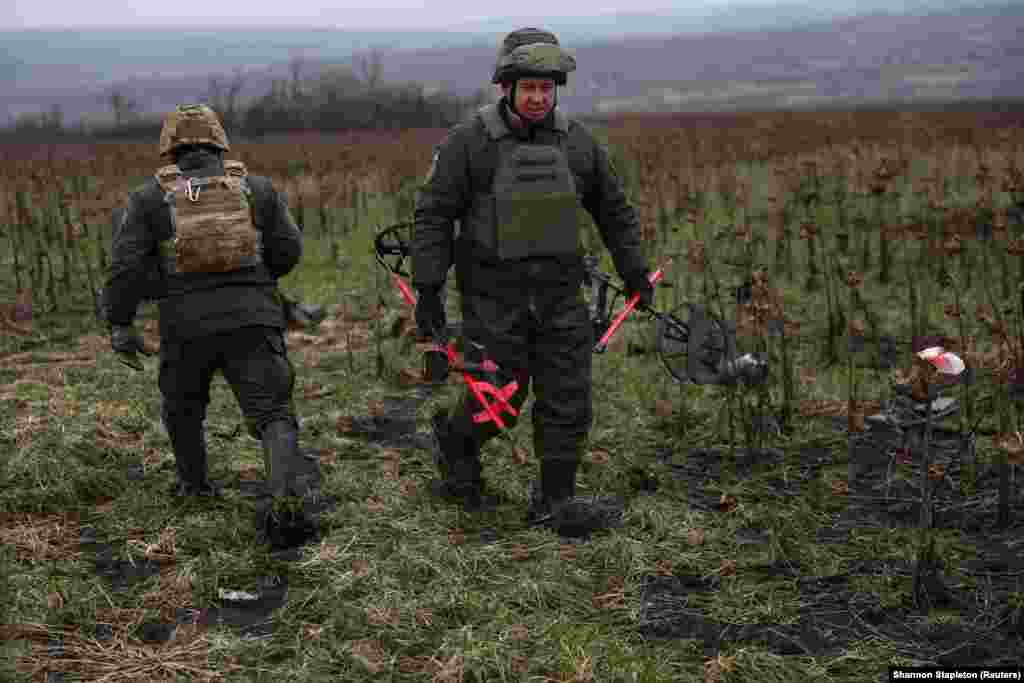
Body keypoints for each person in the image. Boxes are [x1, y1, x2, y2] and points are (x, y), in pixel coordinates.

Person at [410, 28, 654, 534]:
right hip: (493, 296)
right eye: (529, 88)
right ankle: (456, 444)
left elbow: (614, 210)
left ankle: (555, 499)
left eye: (547, 88)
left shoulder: (578, 142)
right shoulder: (468, 142)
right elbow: (433, 215)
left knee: (569, 398)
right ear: (507, 87)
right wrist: (429, 288)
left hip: (561, 295)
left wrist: (634, 269)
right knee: (499, 399)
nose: (539, 97)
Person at [104, 103, 318, 543]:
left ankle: (195, 485)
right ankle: (285, 502)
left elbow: (125, 268)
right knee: (274, 412)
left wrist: (122, 324)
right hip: (255, 320)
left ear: (170, 149)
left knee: (183, 409)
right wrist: (257, 283)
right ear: (220, 142)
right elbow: (289, 250)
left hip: (184, 327)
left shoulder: (148, 199)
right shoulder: (256, 189)